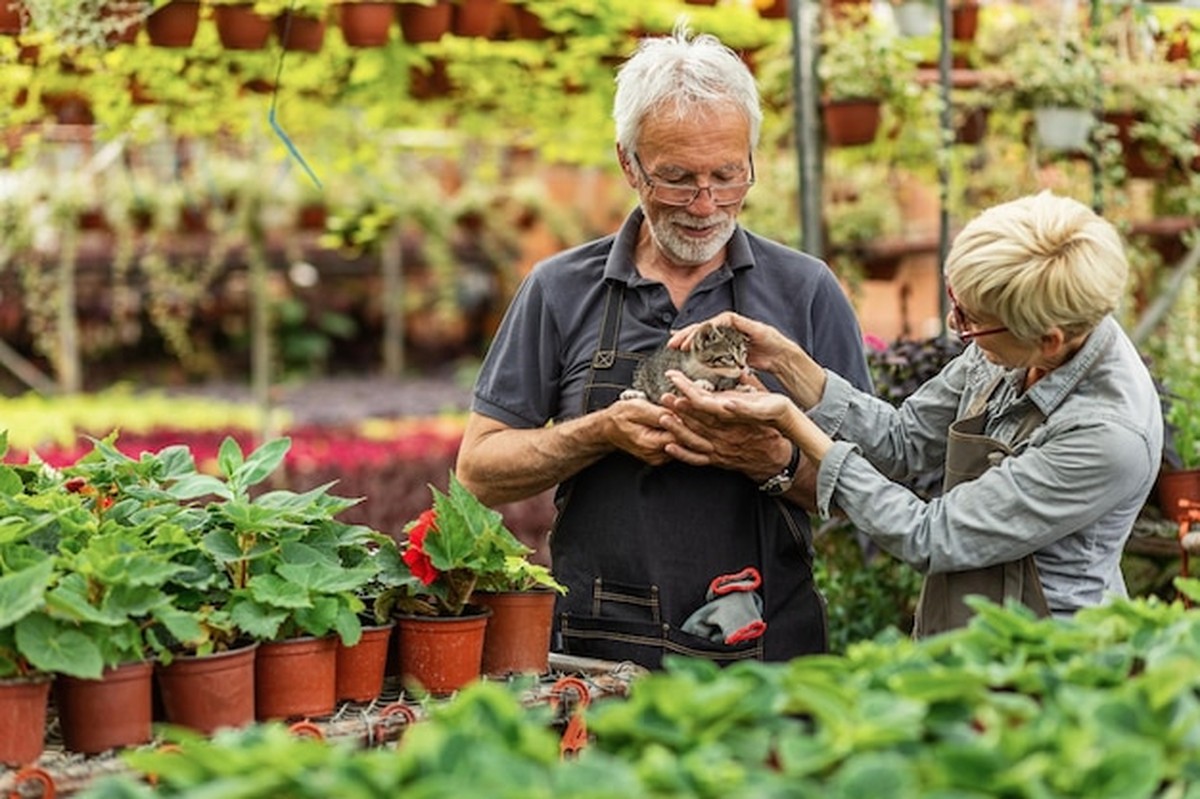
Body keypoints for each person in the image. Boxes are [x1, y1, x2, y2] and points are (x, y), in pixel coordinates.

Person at [454, 22, 873, 668]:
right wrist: (598, 433)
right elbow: (478, 471)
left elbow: (871, 486)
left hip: (769, 664)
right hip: (595, 659)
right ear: (629, 162)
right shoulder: (559, 290)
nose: (706, 204)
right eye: (677, 178)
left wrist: (773, 459)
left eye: (728, 176)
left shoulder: (806, 292)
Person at [664, 191, 1164, 638]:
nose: (954, 324)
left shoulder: (1106, 435)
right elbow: (902, 442)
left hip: (1049, 659)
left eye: (969, 321)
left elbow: (932, 536)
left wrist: (793, 424)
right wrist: (787, 361)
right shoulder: (1011, 337)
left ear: (1048, 338)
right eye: (955, 301)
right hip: (966, 631)